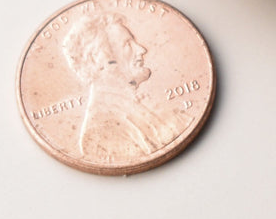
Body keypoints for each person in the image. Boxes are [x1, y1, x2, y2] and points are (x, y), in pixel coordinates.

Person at [61, 11, 186, 162]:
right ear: (98, 59)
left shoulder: (144, 105)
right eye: (127, 44)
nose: (141, 49)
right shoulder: (100, 133)